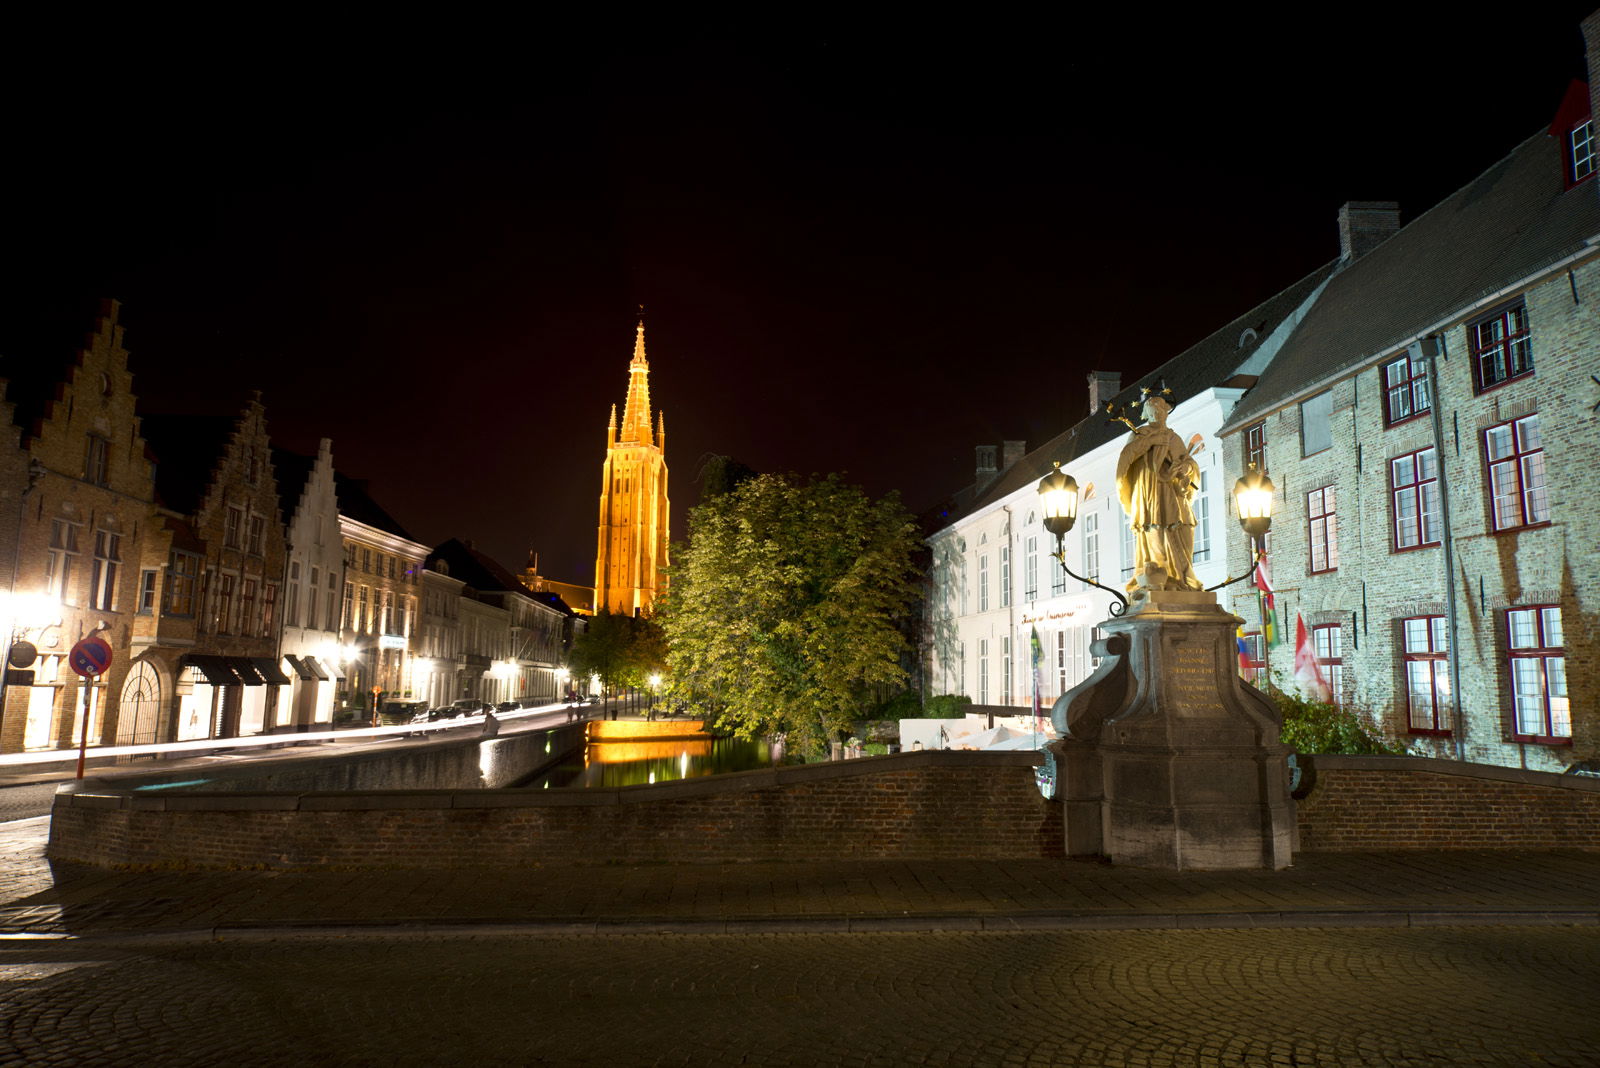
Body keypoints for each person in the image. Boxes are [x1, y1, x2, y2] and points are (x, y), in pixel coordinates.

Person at [1115, 388, 1202, 592]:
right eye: (1153, 410)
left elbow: (1189, 462)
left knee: (1184, 530)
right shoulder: (1140, 434)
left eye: (1161, 409)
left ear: (1166, 412)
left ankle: (1182, 578)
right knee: (1156, 532)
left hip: (1173, 493)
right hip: (1150, 494)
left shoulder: (1174, 438)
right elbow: (1126, 458)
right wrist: (1150, 442)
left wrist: (1185, 468)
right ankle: (1160, 578)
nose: (1158, 414)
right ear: (1147, 414)